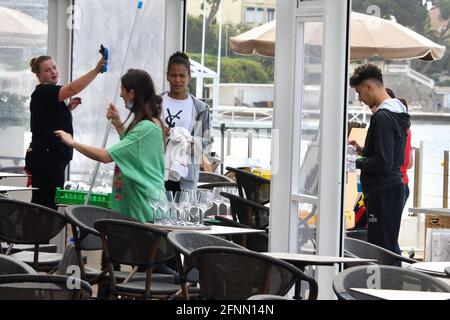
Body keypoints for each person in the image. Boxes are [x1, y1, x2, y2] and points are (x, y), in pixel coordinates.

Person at [55, 69, 165, 223]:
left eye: (122, 90)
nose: (120, 94)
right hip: (136, 206)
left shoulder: (146, 127)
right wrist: (118, 123)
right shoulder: (146, 124)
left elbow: (106, 156)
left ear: (132, 93)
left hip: (143, 208)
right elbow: (131, 148)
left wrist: (72, 142)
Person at [26, 55, 106, 209]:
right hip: (46, 157)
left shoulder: (49, 95)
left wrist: (67, 109)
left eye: (54, 67)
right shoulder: (44, 91)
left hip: (49, 156)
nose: (53, 72)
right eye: (47, 70)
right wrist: (96, 71)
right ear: (39, 75)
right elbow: (71, 89)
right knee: (45, 206)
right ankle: (33, 233)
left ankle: (35, 232)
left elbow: (47, 120)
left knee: (44, 204)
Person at [348, 64, 410, 255]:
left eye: (359, 92)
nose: (360, 99)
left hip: (383, 191)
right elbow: (389, 155)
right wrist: (363, 151)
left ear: (369, 87)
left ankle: (387, 283)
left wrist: (350, 162)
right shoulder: (397, 113)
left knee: (380, 249)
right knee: (388, 246)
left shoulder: (382, 117)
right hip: (391, 189)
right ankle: (392, 281)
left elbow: (383, 162)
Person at [161, 51, 213, 192]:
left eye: (182, 75)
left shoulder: (200, 108)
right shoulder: (156, 103)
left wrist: (189, 142)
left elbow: (206, 145)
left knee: (182, 213)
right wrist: (160, 134)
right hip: (158, 173)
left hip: (186, 178)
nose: (177, 80)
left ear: (189, 77)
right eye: (173, 75)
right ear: (167, 76)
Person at [385, 89, 414, 205]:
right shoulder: (407, 129)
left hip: (389, 186)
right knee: (392, 223)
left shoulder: (388, 127)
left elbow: (383, 160)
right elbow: (410, 163)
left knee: (377, 222)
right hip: (404, 183)